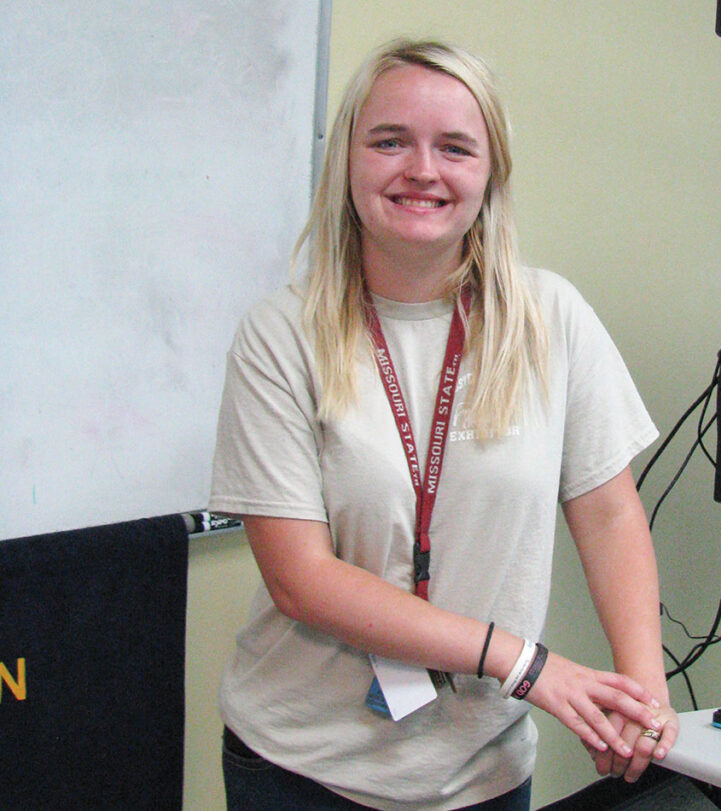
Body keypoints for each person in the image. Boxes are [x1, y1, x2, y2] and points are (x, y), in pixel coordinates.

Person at [209, 37, 678, 811]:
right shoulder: (279, 335)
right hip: (303, 768)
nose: (421, 170)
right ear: (347, 163)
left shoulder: (550, 318)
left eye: (454, 147)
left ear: (490, 171)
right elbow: (301, 579)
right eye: (389, 141)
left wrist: (643, 695)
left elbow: (607, 510)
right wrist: (526, 664)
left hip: (481, 771)